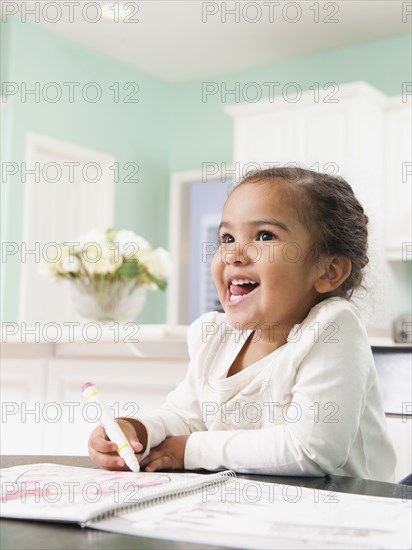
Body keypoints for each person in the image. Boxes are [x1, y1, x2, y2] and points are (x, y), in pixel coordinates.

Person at [88, 166, 396, 481]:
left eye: (265, 235)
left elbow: (310, 449)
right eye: (227, 237)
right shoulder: (215, 338)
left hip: (349, 516)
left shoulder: (333, 329)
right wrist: (138, 431)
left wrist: (188, 450)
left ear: (328, 271)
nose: (234, 254)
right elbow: (184, 417)